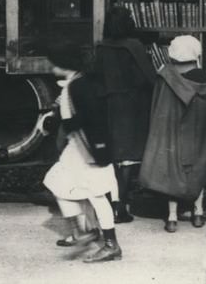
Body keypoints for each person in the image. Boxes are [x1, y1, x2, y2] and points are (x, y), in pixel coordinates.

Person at [42, 38, 123, 263]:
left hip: (87, 149)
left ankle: (109, 244)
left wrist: (57, 119)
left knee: (96, 195)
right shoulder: (81, 81)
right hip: (80, 147)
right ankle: (84, 232)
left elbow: (80, 119)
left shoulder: (77, 86)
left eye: (53, 63)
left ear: (62, 63)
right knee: (57, 182)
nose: (50, 67)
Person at [139, 35, 206, 232]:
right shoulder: (202, 77)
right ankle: (198, 213)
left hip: (172, 132)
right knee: (197, 169)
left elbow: (158, 106)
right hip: (196, 134)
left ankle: (172, 217)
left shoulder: (165, 75)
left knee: (172, 172)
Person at [95, 5, 154, 223]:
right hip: (133, 105)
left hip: (109, 105)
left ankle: (112, 202)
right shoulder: (134, 46)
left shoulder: (101, 48)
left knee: (115, 157)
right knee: (128, 157)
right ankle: (122, 206)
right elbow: (148, 78)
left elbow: (96, 78)